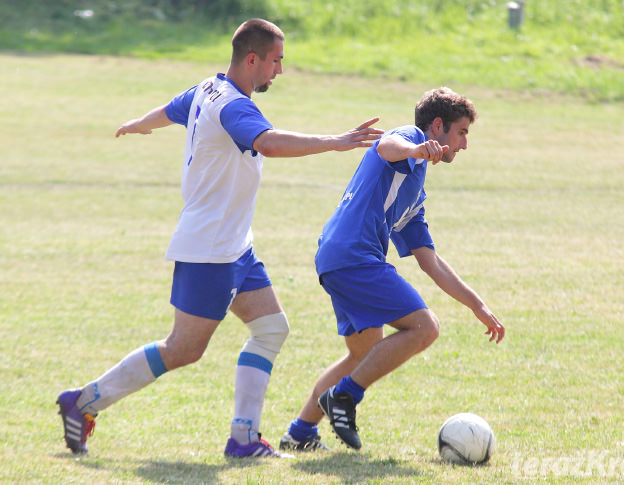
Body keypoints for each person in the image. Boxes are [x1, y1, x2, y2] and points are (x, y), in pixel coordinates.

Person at [56, 18, 382, 459]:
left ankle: (243, 438)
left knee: (270, 328)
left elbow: (173, 109)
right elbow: (267, 143)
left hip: (234, 246)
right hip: (210, 249)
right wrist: (338, 141)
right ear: (252, 59)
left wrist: (140, 123)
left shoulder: (208, 87)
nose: (279, 71)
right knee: (183, 349)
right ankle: (84, 401)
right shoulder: (234, 106)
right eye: (275, 61)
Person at [279, 87, 505, 452]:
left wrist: (477, 305)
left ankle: (300, 432)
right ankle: (344, 397)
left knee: (361, 354)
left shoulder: (414, 191)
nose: (464, 144)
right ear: (437, 126)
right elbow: (386, 146)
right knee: (424, 328)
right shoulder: (410, 139)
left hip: (336, 257)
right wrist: (417, 149)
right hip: (354, 256)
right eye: (461, 132)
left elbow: (429, 261)